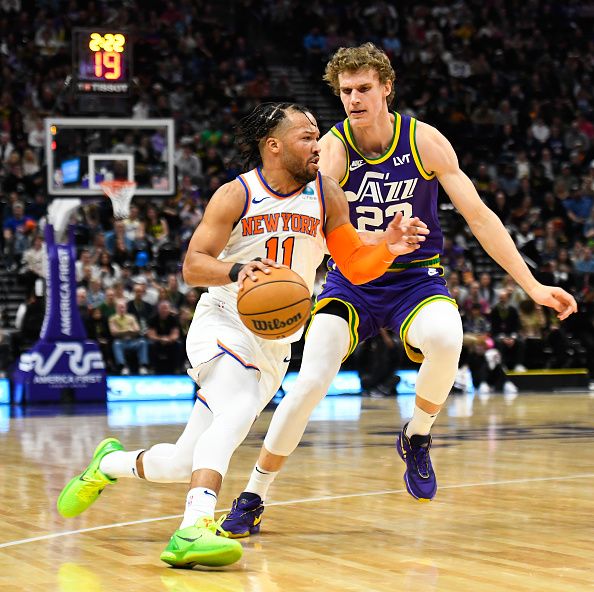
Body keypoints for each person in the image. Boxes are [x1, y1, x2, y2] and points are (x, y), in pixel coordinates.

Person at [221, 43, 578, 538]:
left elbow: (479, 217)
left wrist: (533, 285)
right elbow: (321, 228)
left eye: (364, 88)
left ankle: (417, 436)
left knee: (448, 339)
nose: (353, 98)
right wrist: (378, 241)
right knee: (309, 383)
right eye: (346, 91)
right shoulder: (334, 149)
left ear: (387, 88)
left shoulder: (424, 141)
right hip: (353, 280)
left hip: (415, 279)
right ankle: (254, 494)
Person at [56, 102, 428, 568]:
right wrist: (236, 269)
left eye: (318, 136)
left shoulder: (329, 193)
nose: (319, 145)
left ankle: (107, 464)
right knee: (236, 410)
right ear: (273, 146)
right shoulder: (237, 195)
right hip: (223, 322)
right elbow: (193, 266)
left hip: (276, 341)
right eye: (306, 137)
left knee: (181, 462)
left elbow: (353, 263)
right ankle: (192, 529)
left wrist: (389, 247)